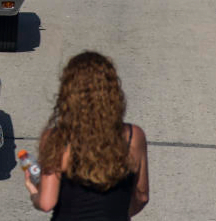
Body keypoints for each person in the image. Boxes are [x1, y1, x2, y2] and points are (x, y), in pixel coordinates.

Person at [23, 51, 149, 217]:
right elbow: (141, 196)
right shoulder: (133, 136)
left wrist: (33, 191)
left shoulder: (56, 139)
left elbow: (47, 203)